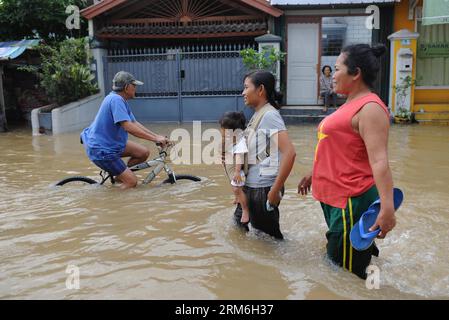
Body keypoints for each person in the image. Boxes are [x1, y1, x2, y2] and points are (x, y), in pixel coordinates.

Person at [298, 44, 396, 279]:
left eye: (338, 68)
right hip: (335, 198)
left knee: (343, 273)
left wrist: (387, 208)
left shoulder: (370, 108)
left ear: (356, 73)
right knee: (347, 261)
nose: (332, 75)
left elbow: (379, 161)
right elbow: (340, 148)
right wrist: (315, 173)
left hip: (350, 199)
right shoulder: (349, 104)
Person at [233, 70, 296, 239]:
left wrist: (274, 191)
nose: (243, 92)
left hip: (262, 189)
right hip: (251, 187)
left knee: (269, 242)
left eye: (246, 87)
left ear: (260, 90)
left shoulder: (269, 115)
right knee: (241, 230)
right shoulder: (258, 114)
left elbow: (289, 153)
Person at [80, 71, 169, 189]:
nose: (135, 89)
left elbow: (134, 123)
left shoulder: (120, 100)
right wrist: (155, 138)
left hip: (109, 143)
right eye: (134, 86)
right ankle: (115, 199)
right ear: (127, 87)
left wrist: (156, 136)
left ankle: (120, 177)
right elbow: (128, 127)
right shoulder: (116, 100)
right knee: (132, 182)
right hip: (103, 149)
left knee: (143, 152)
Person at [220, 111, 250, 225]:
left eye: (226, 135)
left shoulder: (240, 142)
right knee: (234, 187)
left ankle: (245, 210)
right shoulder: (233, 141)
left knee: (237, 188)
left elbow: (239, 157)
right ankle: (238, 198)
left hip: (239, 172)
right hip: (233, 170)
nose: (224, 137)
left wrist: (237, 172)